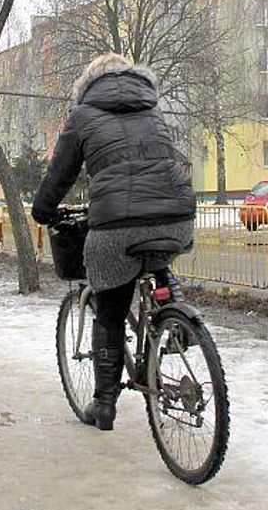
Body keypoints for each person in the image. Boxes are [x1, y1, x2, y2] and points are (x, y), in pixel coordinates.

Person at [32, 54, 195, 432]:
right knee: (157, 251)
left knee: (110, 312)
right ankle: (175, 312)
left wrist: (43, 211)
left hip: (117, 225)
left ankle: (103, 406)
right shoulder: (153, 112)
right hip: (178, 216)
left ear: (87, 85)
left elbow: (60, 174)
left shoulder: (83, 116)